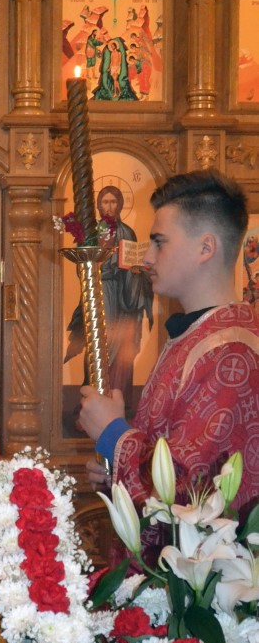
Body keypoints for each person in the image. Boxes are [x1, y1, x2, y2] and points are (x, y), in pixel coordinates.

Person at [80, 170, 259, 515]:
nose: (147, 257)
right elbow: (173, 450)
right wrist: (115, 471)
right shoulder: (195, 335)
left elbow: (188, 495)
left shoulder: (231, 351)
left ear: (205, 247)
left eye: (159, 242)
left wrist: (114, 434)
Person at [65, 185, 153, 413]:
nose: (109, 206)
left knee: (120, 347)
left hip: (123, 298)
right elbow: (82, 267)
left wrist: (135, 272)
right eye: (105, 202)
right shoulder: (93, 233)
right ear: (99, 205)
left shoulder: (127, 233)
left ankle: (118, 401)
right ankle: (92, 402)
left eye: (114, 202)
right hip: (101, 291)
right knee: (98, 344)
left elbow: (133, 264)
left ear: (120, 205)